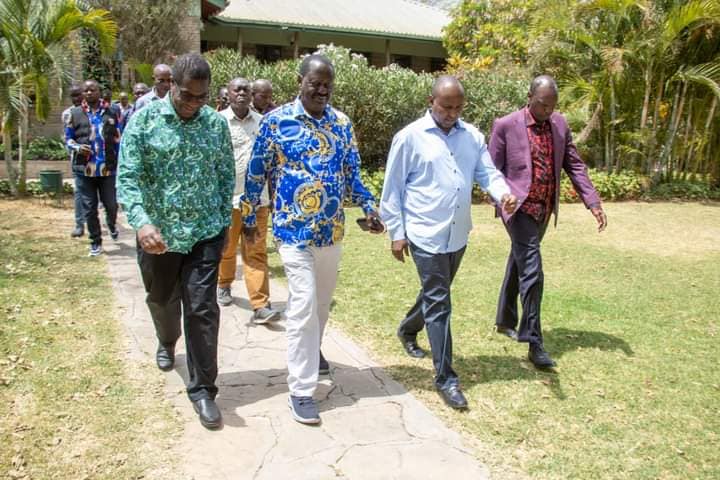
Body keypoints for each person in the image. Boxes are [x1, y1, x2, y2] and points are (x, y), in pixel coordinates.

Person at [242, 54, 383, 425]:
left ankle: (312, 354)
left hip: (331, 231)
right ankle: (301, 389)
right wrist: (247, 216)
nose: (321, 90)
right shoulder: (276, 122)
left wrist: (369, 207)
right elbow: (255, 174)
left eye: (326, 85)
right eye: (314, 83)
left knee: (320, 307)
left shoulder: (341, 124)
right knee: (303, 306)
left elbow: (352, 174)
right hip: (292, 230)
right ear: (299, 80)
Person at [380, 76, 517, 410]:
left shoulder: (472, 137)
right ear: (431, 101)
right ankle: (446, 378)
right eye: (446, 107)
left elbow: (487, 173)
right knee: (440, 302)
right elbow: (393, 189)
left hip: (457, 234)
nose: (452, 113)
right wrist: (397, 233)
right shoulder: (409, 138)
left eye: (458, 107)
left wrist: (503, 194)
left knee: (435, 293)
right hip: (424, 233)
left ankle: (408, 329)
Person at [117, 53, 235, 430]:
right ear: (170, 86)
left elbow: (224, 176)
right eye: (187, 96)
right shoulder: (144, 121)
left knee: (202, 309)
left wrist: (220, 224)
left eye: (201, 98)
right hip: (158, 238)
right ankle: (167, 340)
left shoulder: (215, 125)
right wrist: (141, 222)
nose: (193, 104)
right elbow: (128, 176)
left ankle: (203, 390)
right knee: (162, 299)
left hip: (203, 235)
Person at [489, 75, 607, 368]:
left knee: (520, 261)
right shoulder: (506, 125)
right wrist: (502, 198)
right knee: (533, 271)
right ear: (529, 96)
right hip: (518, 209)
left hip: (544, 208)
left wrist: (592, 201)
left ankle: (505, 319)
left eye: (552, 105)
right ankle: (534, 342)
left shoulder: (560, 124)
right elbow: (490, 169)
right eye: (542, 104)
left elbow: (574, 164)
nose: (547, 110)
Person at [217, 78, 280, 323]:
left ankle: (260, 305)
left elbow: (272, 162)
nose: (242, 93)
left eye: (246, 90)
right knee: (228, 248)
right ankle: (223, 283)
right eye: (237, 90)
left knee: (256, 252)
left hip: (258, 201)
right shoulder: (218, 122)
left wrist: (273, 196)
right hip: (228, 201)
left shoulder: (264, 123)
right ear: (229, 94)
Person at [64, 79, 122, 256]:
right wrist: (77, 147)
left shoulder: (113, 111)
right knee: (89, 208)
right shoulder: (74, 114)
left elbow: (119, 138)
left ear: (99, 91)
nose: (89, 93)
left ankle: (111, 224)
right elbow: (68, 139)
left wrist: (121, 161)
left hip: (107, 168)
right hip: (84, 169)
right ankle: (95, 242)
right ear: (83, 93)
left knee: (111, 205)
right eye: (86, 90)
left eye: (93, 90)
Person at [62, 84, 87, 238]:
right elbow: (67, 137)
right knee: (79, 191)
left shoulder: (94, 111)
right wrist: (75, 149)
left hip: (97, 162)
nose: (76, 98)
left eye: (79, 94)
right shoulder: (68, 113)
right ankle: (79, 224)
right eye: (73, 95)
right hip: (78, 159)